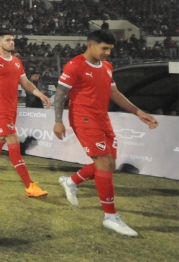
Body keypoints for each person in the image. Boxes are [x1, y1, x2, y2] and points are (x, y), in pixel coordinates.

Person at [53, 29, 158, 237]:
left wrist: (138, 112)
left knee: (110, 164)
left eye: (110, 49)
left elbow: (114, 93)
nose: (108, 52)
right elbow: (60, 94)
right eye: (104, 48)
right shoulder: (75, 65)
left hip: (102, 118)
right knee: (103, 163)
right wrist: (58, 121)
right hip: (83, 118)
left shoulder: (108, 66)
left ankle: (71, 181)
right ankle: (110, 217)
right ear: (90, 45)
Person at [0, 32, 51, 198]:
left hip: (12, 107)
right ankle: (29, 185)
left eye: (13, 40)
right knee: (12, 139)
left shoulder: (17, 62)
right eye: (8, 40)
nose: (12, 42)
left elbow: (25, 83)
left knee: (0, 137)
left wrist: (40, 94)